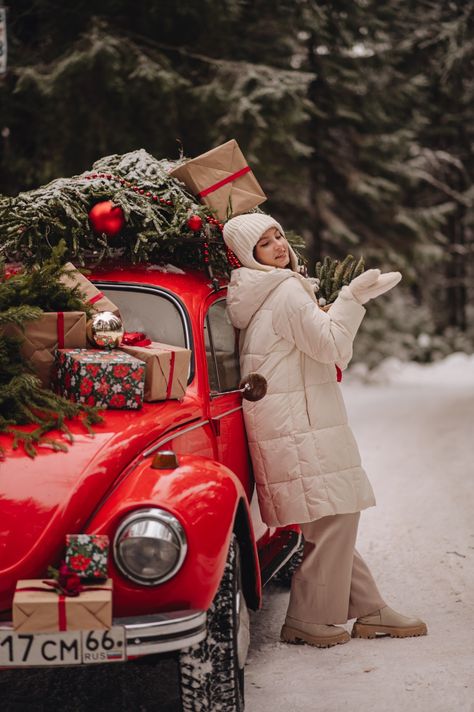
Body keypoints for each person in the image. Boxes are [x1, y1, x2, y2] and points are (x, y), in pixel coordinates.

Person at [223, 212, 427, 648]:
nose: (279, 245)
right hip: (299, 424)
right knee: (334, 515)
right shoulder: (284, 291)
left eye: (278, 234)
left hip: (289, 422)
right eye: (264, 244)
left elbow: (305, 341)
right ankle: (308, 619)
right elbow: (333, 345)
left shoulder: (260, 294)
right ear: (248, 256)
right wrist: (352, 299)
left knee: (328, 518)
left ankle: (369, 609)